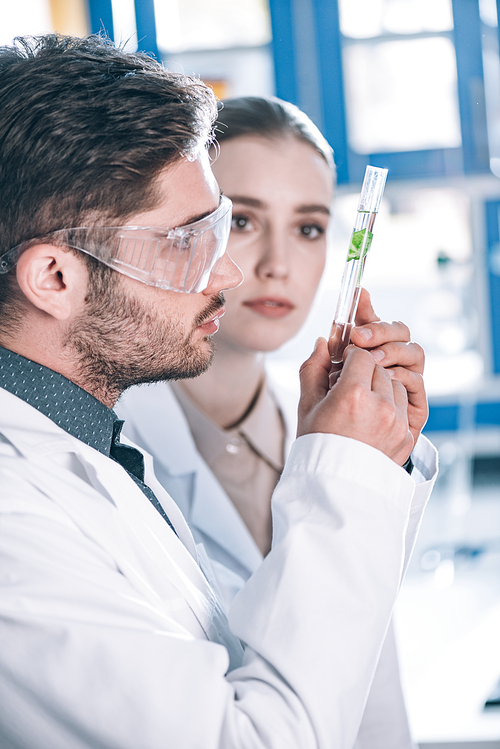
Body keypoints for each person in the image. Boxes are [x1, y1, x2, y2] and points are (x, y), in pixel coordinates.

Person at [0, 34, 435, 749]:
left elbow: (248, 661)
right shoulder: (17, 525)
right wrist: (344, 474)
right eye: (185, 241)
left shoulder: (93, 447)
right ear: (55, 278)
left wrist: (355, 462)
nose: (229, 274)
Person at [117, 96, 438, 749]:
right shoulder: (113, 451)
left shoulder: (330, 432)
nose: (276, 265)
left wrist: (377, 465)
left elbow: (363, 670)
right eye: (240, 220)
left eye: (309, 228)